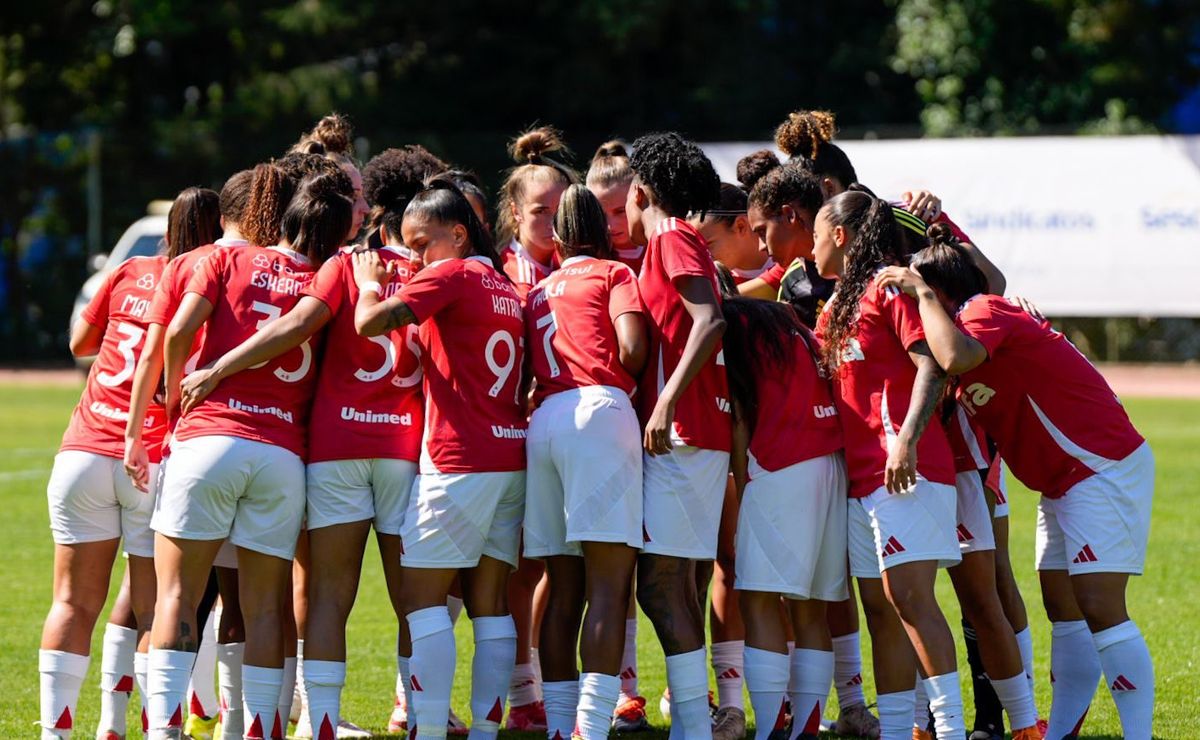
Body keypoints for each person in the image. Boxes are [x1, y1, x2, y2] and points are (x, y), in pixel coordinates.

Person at [178, 146, 447, 740]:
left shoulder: (347, 265)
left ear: (379, 216)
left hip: (337, 447)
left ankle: (321, 722)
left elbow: (297, 327)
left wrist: (219, 369)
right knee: (416, 598)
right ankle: (424, 722)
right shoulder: (435, 278)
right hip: (404, 449)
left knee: (328, 593)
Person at [877, 232, 1156, 740]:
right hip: (1063, 482)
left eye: (921, 293)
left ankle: (1140, 733)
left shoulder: (983, 310)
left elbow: (958, 354)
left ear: (940, 292)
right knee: (1064, 609)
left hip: (1101, 466)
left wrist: (918, 290)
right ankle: (1060, 732)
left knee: (1099, 605)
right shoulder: (975, 322)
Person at [144, 171, 352, 739]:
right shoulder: (327, 279)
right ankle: (258, 730)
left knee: (178, 596)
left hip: (208, 441)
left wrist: (175, 401)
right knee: (265, 609)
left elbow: (177, 331)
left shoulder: (225, 260)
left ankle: (164, 730)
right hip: (283, 454)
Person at [38, 187, 219, 740]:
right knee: (155, 604)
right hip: (153, 458)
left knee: (71, 602)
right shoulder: (211, 281)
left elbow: (79, 342)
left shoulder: (129, 271)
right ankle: (155, 727)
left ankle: (57, 731)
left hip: (83, 451)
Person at [353, 177, 527, 740]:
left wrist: (366, 286)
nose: (413, 257)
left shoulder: (451, 274)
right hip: (508, 454)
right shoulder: (503, 283)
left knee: (420, 601)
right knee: (490, 603)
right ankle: (484, 732)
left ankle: (426, 730)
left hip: (460, 458)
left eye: (423, 242)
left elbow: (369, 324)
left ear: (458, 233)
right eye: (408, 245)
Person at [811, 190, 970, 740]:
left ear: (839, 235)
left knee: (911, 599)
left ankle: (949, 728)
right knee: (882, 611)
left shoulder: (888, 287)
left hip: (905, 470)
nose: (809, 248)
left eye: (814, 235)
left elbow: (932, 365)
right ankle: (899, 730)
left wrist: (906, 439)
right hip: (859, 480)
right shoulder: (835, 305)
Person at [523, 184, 648, 740]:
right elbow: (632, 349)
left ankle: (557, 725)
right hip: (599, 409)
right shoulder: (614, 274)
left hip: (545, 418)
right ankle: (592, 728)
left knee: (562, 583)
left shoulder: (539, 289)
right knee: (608, 585)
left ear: (557, 235)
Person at [625, 132, 728, 740]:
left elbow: (709, 322)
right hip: (696, 433)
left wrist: (664, 400)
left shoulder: (669, 238)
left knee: (661, 588)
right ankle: (695, 720)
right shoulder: (677, 241)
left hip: (683, 433)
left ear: (640, 193)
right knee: (678, 586)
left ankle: (693, 723)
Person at [720, 297, 847, 740]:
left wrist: (743, 479)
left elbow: (738, 415)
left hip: (780, 464)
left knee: (756, 599)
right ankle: (804, 726)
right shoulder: (784, 320)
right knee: (810, 606)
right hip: (830, 461)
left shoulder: (730, 321)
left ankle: (773, 727)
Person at [496, 126, 577, 301]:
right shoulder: (512, 278)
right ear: (516, 211)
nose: (553, 222)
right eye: (540, 211)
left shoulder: (577, 257)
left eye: (562, 209)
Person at [587, 141, 645, 274]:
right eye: (600, 214)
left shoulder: (661, 246)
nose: (609, 225)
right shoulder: (582, 253)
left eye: (620, 211)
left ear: (640, 197)